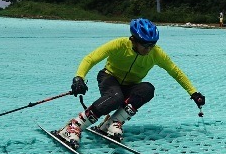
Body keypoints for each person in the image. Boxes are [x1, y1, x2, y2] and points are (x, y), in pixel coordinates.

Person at [54, 18, 206, 146]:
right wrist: (79, 77)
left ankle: (112, 123)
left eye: (152, 45)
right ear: (133, 40)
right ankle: (73, 126)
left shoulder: (156, 53)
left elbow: (176, 72)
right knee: (115, 96)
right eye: (145, 45)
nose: (149, 49)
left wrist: (193, 92)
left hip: (130, 85)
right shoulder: (120, 44)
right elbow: (91, 58)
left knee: (148, 89)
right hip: (109, 77)